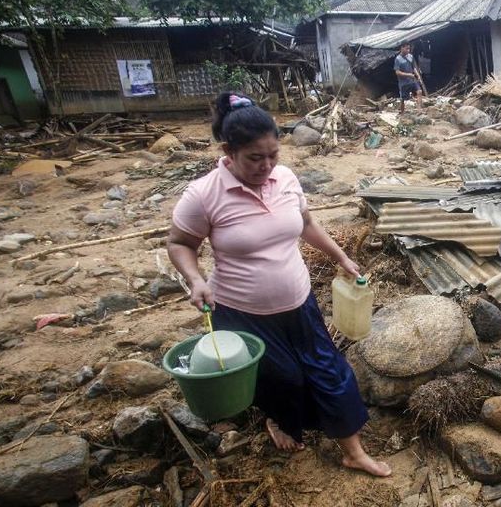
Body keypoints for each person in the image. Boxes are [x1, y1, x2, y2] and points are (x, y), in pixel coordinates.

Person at [166, 92, 391, 477]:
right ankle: (278, 419)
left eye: (274, 155)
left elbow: (305, 224)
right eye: (255, 158)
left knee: (329, 371)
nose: (267, 166)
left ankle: (353, 450)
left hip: (299, 302)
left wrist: (341, 257)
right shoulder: (203, 195)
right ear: (228, 151)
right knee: (282, 378)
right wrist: (196, 280)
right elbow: (180, 243)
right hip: (241, 312)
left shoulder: (284, 178)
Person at [394, 42, 422, 114]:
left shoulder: (410, 56)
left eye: (409, 49)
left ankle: (419, 110)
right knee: (403, 99)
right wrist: (408, 74)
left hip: (412, 80)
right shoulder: (398, 59)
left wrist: (418, 75)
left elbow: (414, 68)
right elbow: (397, 72)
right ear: (402, 48)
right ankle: (402, 113)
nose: (408, 50)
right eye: (407, 49)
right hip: (404, 82)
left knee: (419, 92)